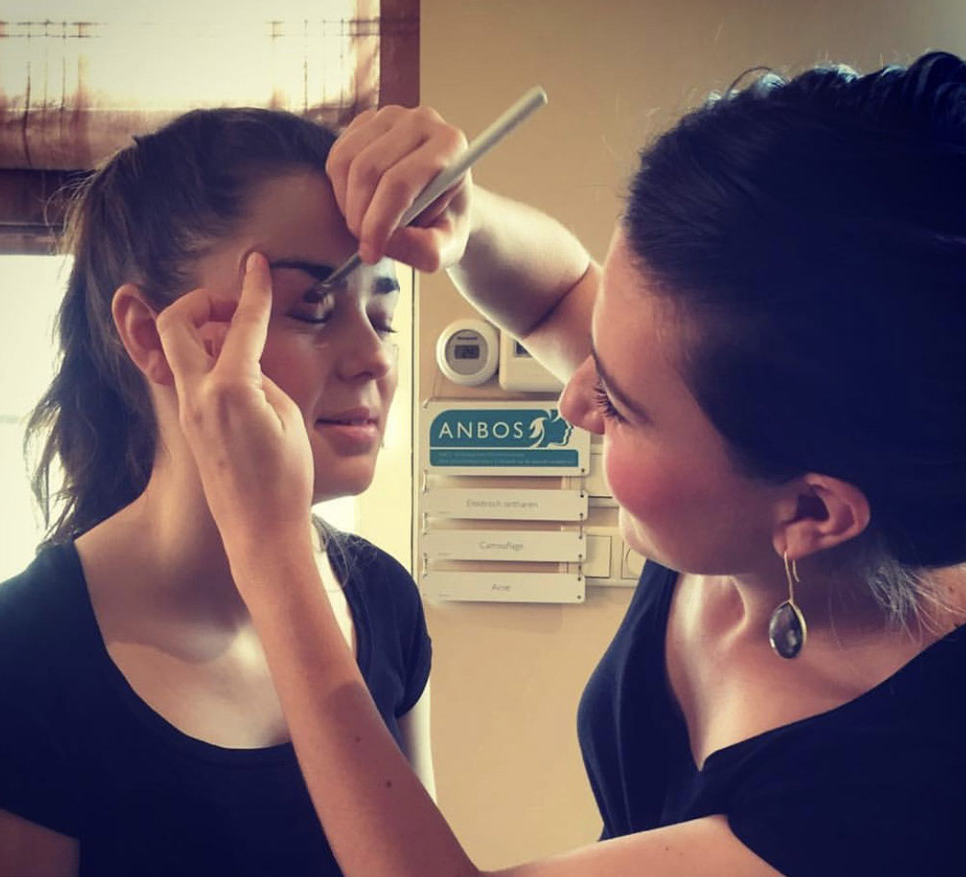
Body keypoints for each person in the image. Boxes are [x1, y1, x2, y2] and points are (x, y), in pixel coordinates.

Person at [153, 50, 966, 876]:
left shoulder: (904, 796)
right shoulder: (759, 439)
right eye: (599, 349)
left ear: (811, 512)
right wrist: (466, 221)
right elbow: (558, 296)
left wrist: (270, 546)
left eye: (621, 405)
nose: (574, 398)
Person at [0, 107, 434, 875]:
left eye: (383, 314)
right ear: (149, 333)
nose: (374, 356)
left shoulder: (385, 601)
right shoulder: (5, 670)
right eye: (312, 306)